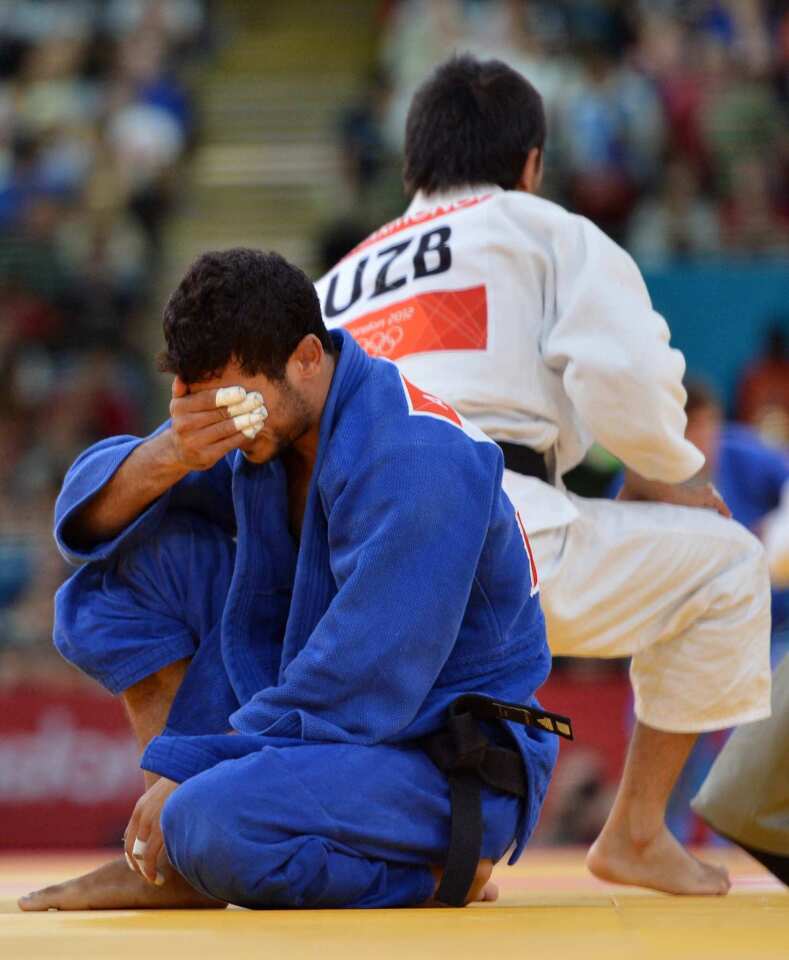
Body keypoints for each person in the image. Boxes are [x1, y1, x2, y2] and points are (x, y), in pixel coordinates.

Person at [314, 55, 772, 897]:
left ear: (413, 164)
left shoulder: (333, 285)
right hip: (503, 534)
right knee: (726, 563)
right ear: (529, 162)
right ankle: (634, 831)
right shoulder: (541, 229)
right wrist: (664, 470)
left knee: (438, 666)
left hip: (353, 574)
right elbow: (624, 373)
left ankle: (445, 850)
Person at [19, 248, 563, 912]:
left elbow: (357, 679)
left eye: (236, 406)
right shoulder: (266, 422)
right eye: (205, 406)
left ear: (308, 356)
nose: (228, 426)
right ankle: (173, 861)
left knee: (209, 821)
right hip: (324, 738)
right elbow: (90, 520)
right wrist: (171, 452)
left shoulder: (414, 462)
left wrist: (190, 770)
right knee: (116, 582)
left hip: (439, 759)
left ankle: (436, 872)